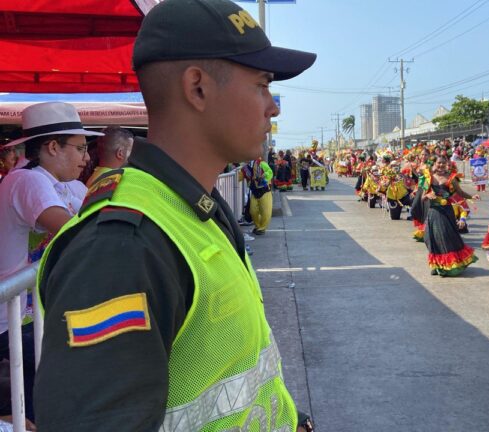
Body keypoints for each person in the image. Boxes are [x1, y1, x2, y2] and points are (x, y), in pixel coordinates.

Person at [33, 1, 317, 431]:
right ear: (197, 88)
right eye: (261, 85)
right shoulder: (120, 251)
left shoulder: (197, 206)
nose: (272, 107)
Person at [0, 102, 103, 425]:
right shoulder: (26, 181)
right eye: (81, 147)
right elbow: (78, 231)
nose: (87, 157)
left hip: (36, 315)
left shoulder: (63, 184)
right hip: (15, 321)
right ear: (53, 147)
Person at [417, 155, 479, 276]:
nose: (441, 165)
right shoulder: (428, 178)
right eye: (439, 163)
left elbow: (460, 192)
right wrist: (428, 196)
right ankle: (436, 264)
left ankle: (447, 266)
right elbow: (422, 197)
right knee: (430, 238)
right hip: (434, 212)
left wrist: (472, 196)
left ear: (446, 165)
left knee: (446, 237)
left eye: (443, 163)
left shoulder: (451, 178)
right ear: (434, 164)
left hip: (446, 211)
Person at [242, 158, 273, 235]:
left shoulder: (261, 163)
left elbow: (270, 172)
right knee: (253, 211)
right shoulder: (245, 168)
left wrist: (264, 176)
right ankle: (258, 226)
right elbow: (239, 177)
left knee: (266, 212)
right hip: (254, 192)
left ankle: (262, 228)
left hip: (265, 191)